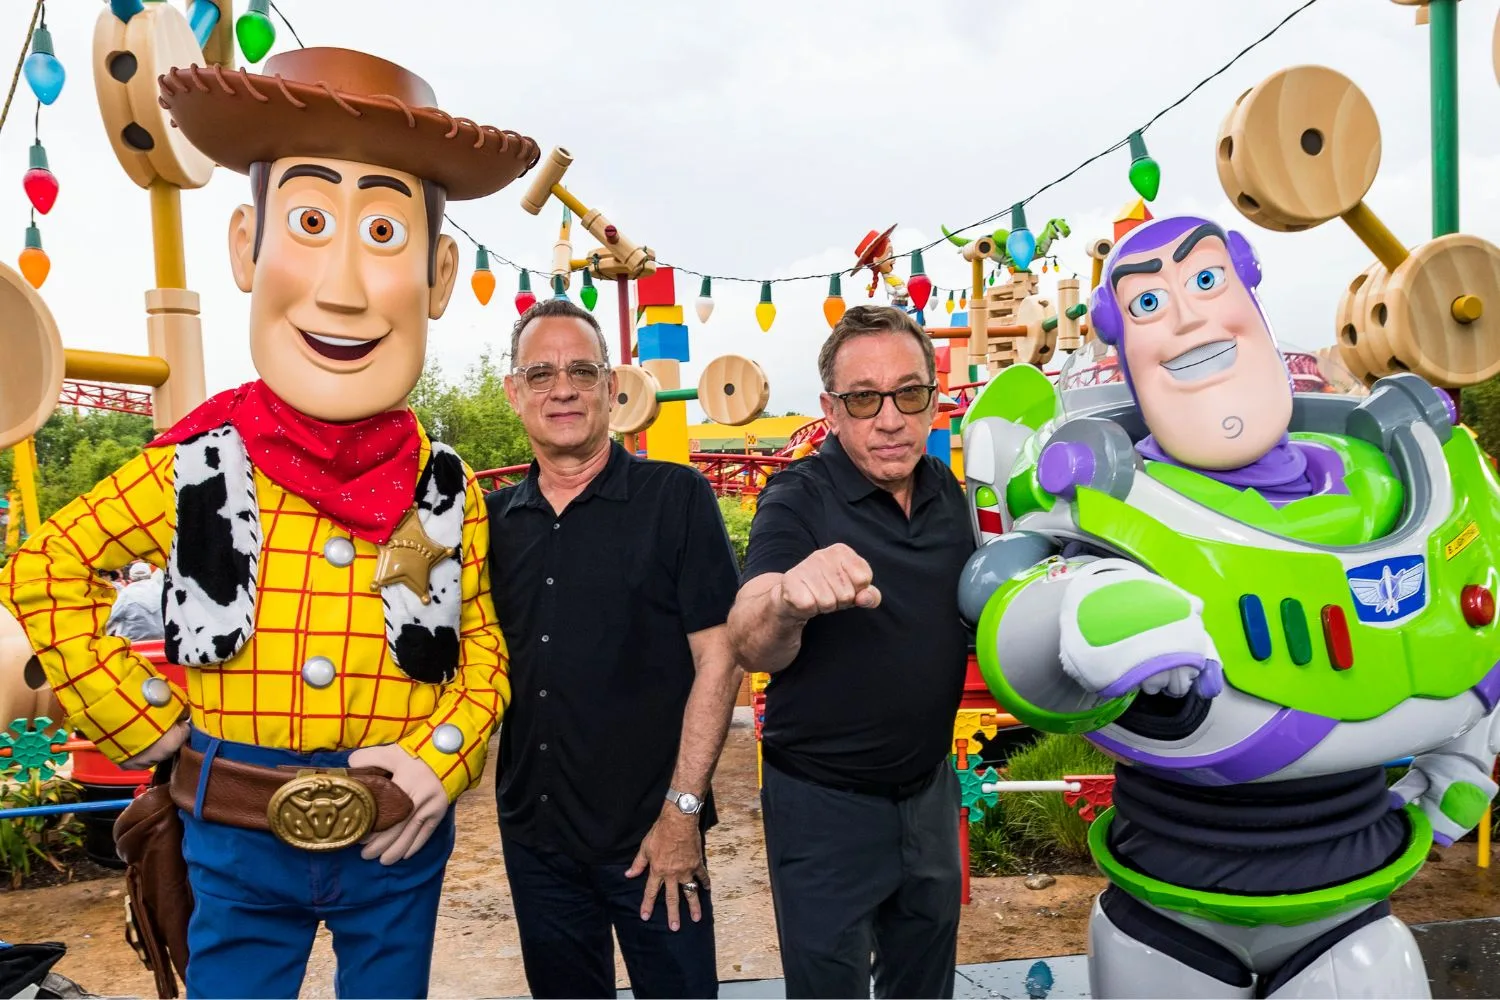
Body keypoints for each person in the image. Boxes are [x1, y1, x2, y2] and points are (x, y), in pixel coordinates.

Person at [0, 46, 531, 998]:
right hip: (233, 832)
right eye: (313, 223)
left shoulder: (438, 486)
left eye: (382, 231)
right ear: (248, 245)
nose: (342, 287)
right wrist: (146, 722)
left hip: (392, 835)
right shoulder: (202, 462)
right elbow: (47, 568)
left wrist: (436, 763)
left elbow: (477, 647)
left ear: (439, 274)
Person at [957, 215, 1500, 998]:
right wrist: (1090, 616)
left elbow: (1480, 634)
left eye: (1206, 281)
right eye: (1149, 304)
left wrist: (1462, 763)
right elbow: (1021, 622)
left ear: (1248, 292)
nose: (1185, 314)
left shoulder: (1382, 482)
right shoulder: (1109, 505)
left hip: (1348, 899)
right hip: (1165, 910)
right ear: (1124, 341)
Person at [487, 298, 742, 999]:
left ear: (610, 388)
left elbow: (720, 661)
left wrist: (682, 813)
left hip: (653, 835)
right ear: (514, 393)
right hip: (536, 837)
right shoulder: (494, 523)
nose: (561, 388)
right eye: (540, 373)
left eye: (580, 370)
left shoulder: (676, 498)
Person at [726, 305, 976, 999]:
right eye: (865, 399)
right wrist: (786, 599)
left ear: (932, 399)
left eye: (909, 393)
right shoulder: (798, 498)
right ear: (831, 411)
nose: (890, 418)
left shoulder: (951, 499)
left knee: (924, 987)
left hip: (929, 792)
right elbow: (749, 636)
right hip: (823, 808)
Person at [104, 561, 166, 641]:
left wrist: (101, 636)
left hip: (132, 643)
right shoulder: (161, 590)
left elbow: (113, 618)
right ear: (150, 574)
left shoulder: (126, 593)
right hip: (161, 640)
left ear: (131, 576)